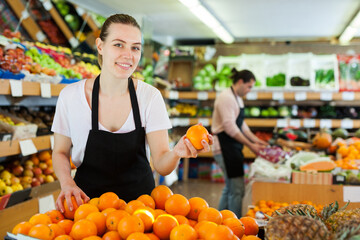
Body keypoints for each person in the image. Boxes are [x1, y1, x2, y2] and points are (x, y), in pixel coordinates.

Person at [51, 14, 213, 212]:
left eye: (135, 47)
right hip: (86, 208)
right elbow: (60, 151)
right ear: (100, 46)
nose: (128, 55)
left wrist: (176, 153)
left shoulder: (150, 97)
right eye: (118, 44)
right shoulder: (70, 96)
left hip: (140, 212)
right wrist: (67, 183)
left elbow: (161, 163)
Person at [211, 69, 267, 217]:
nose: (249, 91)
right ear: (240, 82)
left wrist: (257, 141)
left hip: (231, 146)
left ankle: (218, 220)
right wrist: (251, 145)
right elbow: (229, 127)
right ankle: (235, 226)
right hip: (224, 147)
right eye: (249, 86)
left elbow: (241, 125)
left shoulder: (237, 97)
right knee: (237, 190)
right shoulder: (226, 98)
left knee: (230, 188)